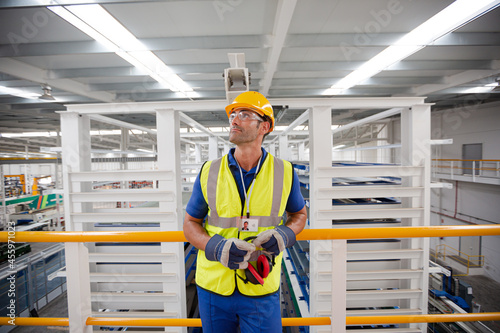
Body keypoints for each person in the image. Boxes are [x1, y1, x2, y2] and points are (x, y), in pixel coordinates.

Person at [183, 91, 307, 333]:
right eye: (232, 115)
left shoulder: (284, 172)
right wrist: (215, 247)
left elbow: (300, 215)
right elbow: (190, 223)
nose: (234, 120)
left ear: (265, 126)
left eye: (245, 114)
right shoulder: (209, 171)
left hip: (260, 285)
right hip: (214, 288)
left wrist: (285, 235)